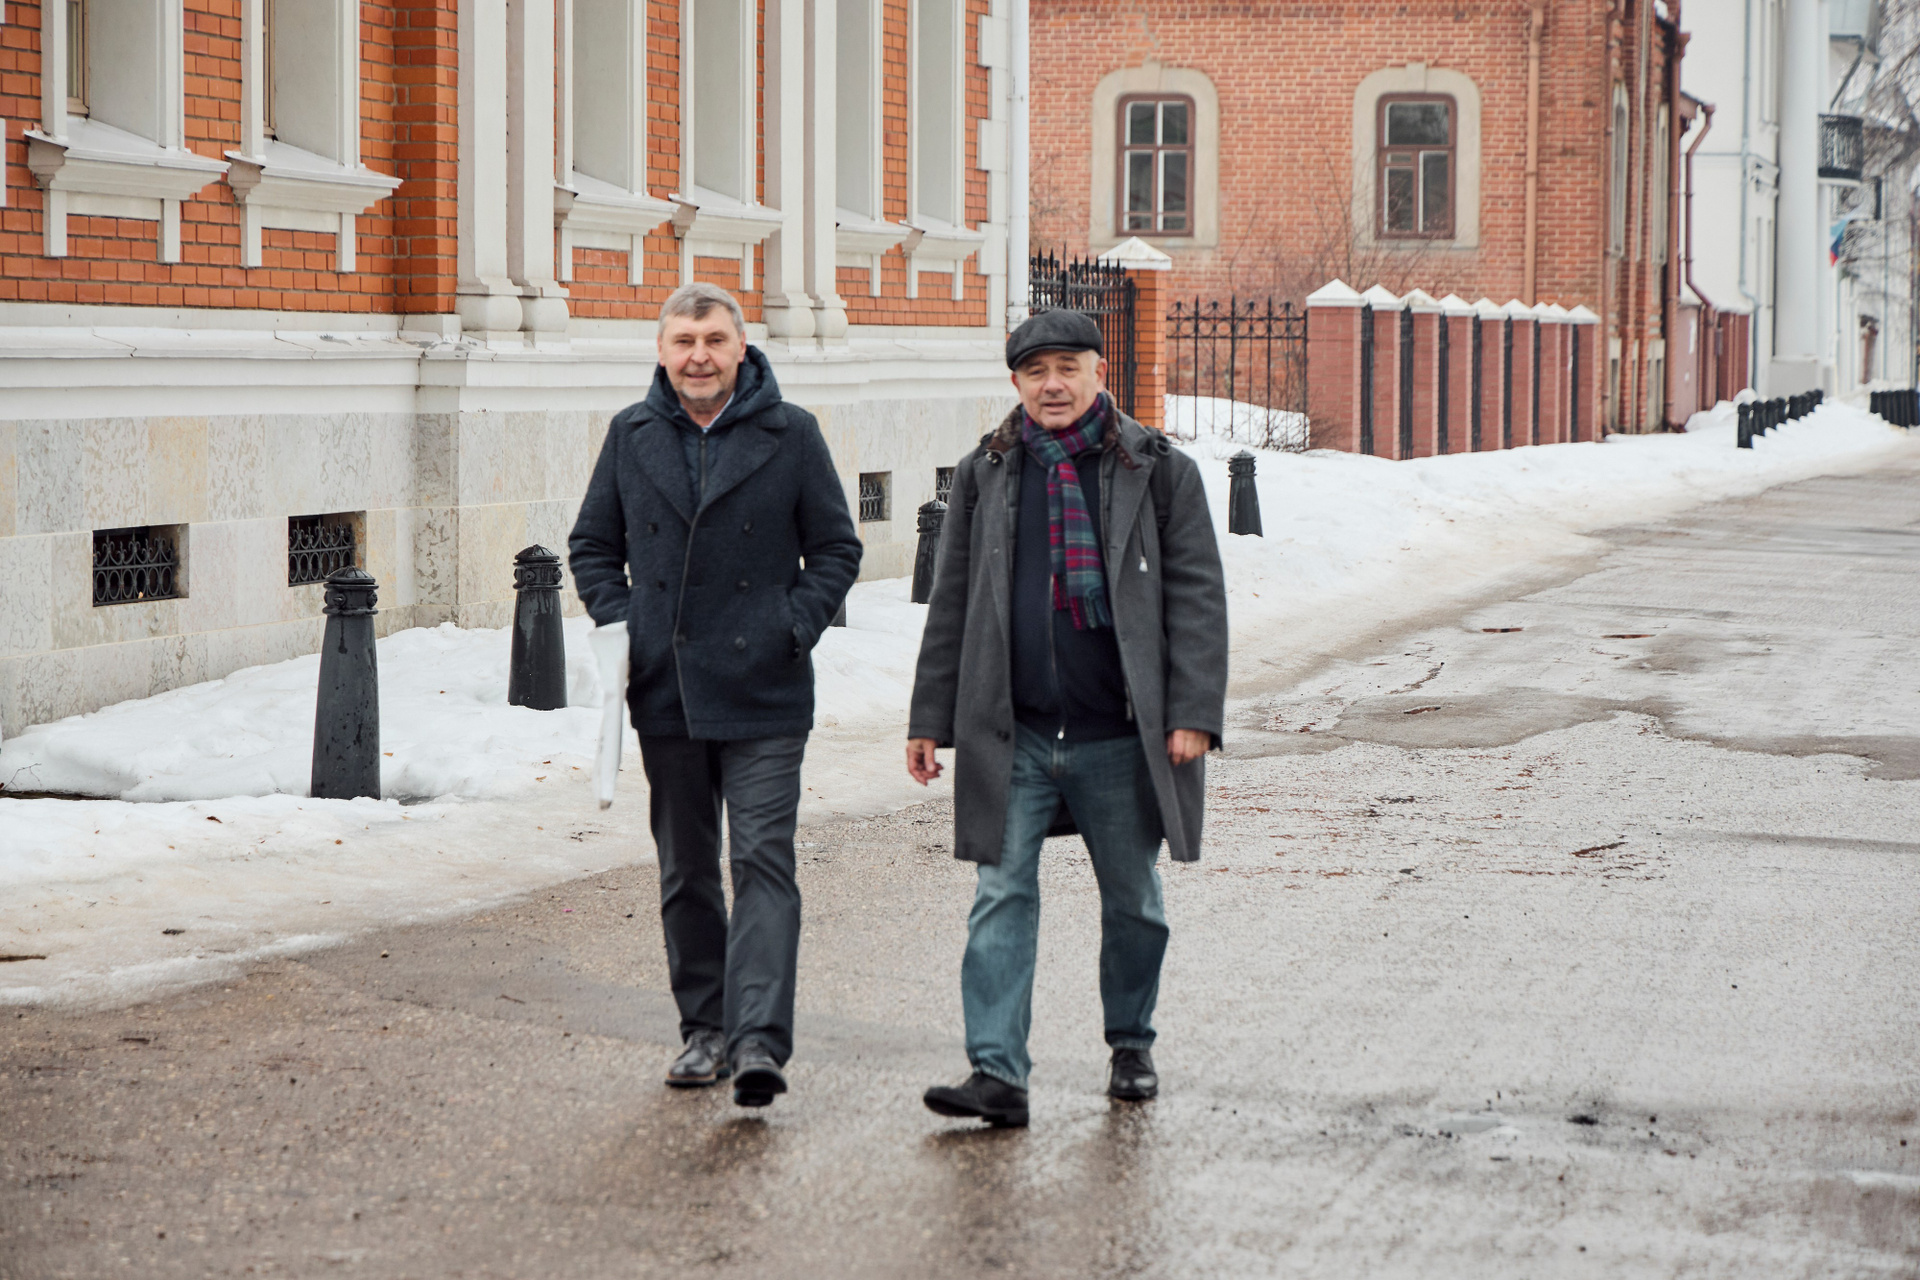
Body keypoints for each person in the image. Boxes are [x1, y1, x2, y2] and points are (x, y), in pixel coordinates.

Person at [907, 309, 1228, 1128]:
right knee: (1000, 895)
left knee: (1134, 902)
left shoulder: (1157, 470)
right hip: (1011, 731)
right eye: (1035, 371)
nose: (1052, 385)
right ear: (1016, 381)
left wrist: (1192, 710)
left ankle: (1131, 1044)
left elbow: (1197, 597)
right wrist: (929, 716)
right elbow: (953, 601)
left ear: (1098, 372)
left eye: (1067, 368)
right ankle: (997, 1073)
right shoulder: (985, 471)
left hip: (1117, 733)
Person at [569, 282, 861, 1109]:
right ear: (663, 351)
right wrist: (630, 624)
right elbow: (592, 546)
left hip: (766, 687)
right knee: (688, 869)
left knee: (762, 859)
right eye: (684, 341)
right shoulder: (630, 435)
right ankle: (705, 1031)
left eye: (714, 340)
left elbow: (836, 549)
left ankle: (758, 1039)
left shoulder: (791, 432)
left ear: (741, 348)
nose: (699, 356)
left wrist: (790, 626)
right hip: (668, 688)